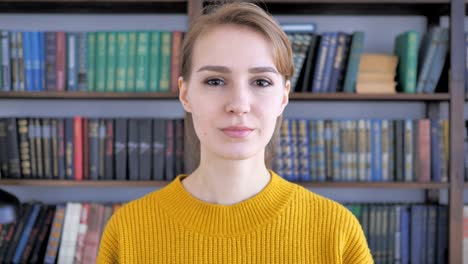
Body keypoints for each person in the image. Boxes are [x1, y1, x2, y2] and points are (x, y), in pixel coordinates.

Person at [97, 2, 373, 263]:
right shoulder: (128, 231)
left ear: (283, 97)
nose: (239, 105)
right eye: (215, 81)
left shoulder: (336, 230)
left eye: (261, 82)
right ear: (185, 94)